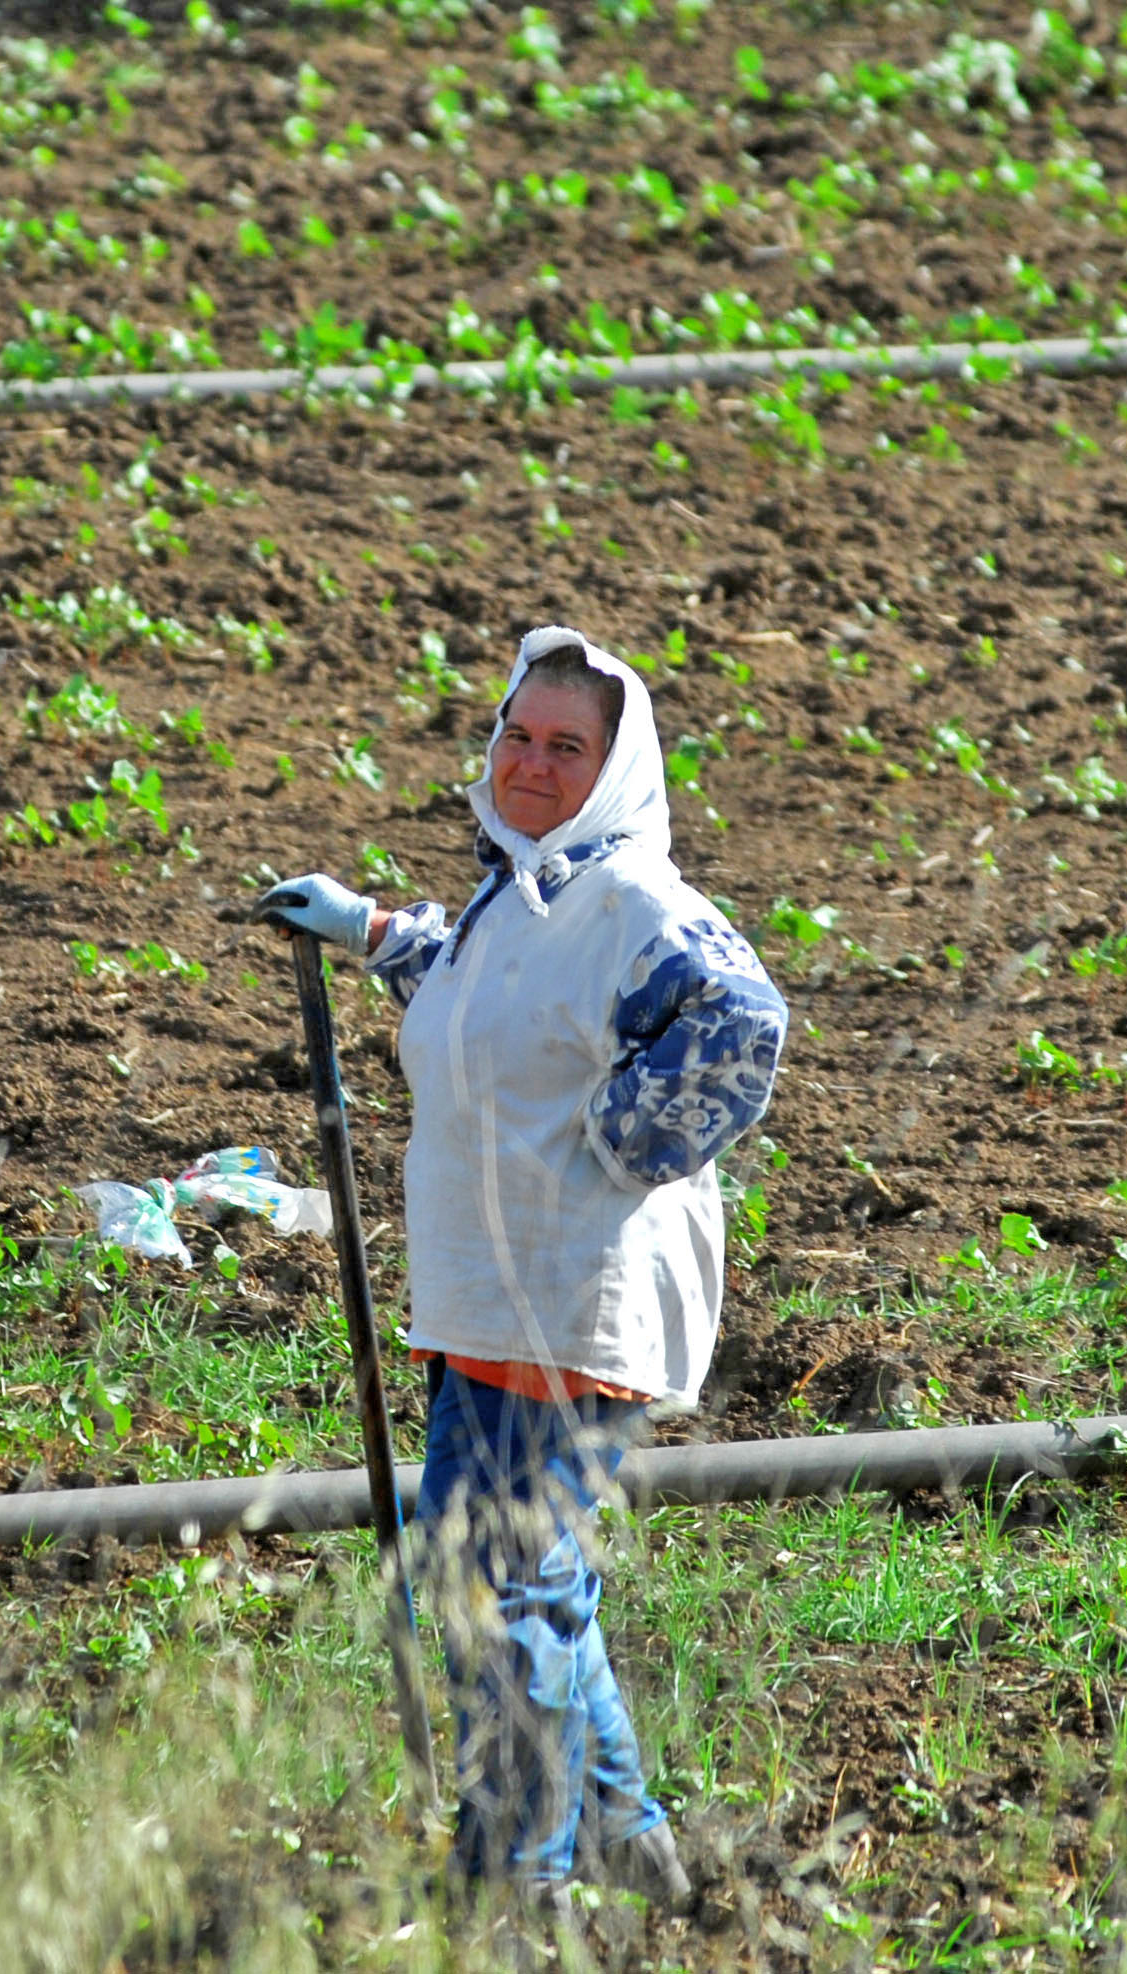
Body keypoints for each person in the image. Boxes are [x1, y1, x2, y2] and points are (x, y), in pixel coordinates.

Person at [252, 626, 787, 1910]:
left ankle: (515, 1890)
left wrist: (615, 1142)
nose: (531, 764)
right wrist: (379, 931)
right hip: (497, 1295)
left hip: (561, 1300)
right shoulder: (527, 892)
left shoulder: (634, 903)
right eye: (516, 735)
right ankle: (623, 1840)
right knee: (529, 1582)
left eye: (567, 747)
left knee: (488, 1589)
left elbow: (741, 1023)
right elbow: (505, 1000)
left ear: (614, 773)